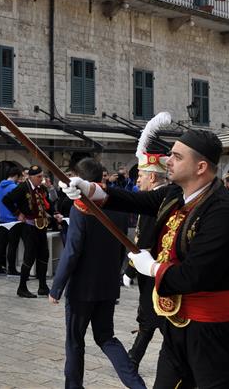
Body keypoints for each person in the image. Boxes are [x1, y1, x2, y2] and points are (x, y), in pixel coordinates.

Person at [62, 129, 229, 388]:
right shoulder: (176, 193)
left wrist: (152, 268)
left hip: (212, 330)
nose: (168, 161)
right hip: (177, 325)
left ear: (200, 167)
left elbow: (194, 275)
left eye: (176, 156)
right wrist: (90, 190)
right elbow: (136, 200)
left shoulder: (223, 212)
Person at [49, 158, 145, 389]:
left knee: (74, 341)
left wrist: (56, 287)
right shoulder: (118, 207)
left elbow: (72, 251)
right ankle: (136, 385)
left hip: (82, 288)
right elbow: (123, 247)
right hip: (107, 285)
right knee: (106, 337)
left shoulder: (82, 207)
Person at [126, 151, 169, 371]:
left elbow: (145, 240)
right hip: (155, 269)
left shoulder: (155, 200)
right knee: (152, 317)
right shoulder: (160, 197)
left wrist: (130, 269)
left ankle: (134, 359)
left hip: (153, 269)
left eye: (141, 175)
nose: (138, 180)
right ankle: (133, 357)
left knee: (155, 316)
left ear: (152, 177)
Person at [2, 165, 54, 298]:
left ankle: (42, 286)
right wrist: (18, 213)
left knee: (44, 255)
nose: (41, 179)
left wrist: (53, 213)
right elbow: (6, 200)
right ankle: (22, 287)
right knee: (29, 256)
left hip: (42, 225)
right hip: (29, 227)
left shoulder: (40, 188)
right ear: (31, 177)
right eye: (38, 177)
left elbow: (46, 204)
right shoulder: (22, 187)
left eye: (41, 176)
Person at [0, 166, 23, 276]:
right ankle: (11, 269)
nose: (19, 180)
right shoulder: (14, 187)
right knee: (12, 245)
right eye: (19, 177)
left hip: (2, 219)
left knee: (1, 244)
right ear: (16, 176)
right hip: (13, 220)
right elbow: (17, 204)